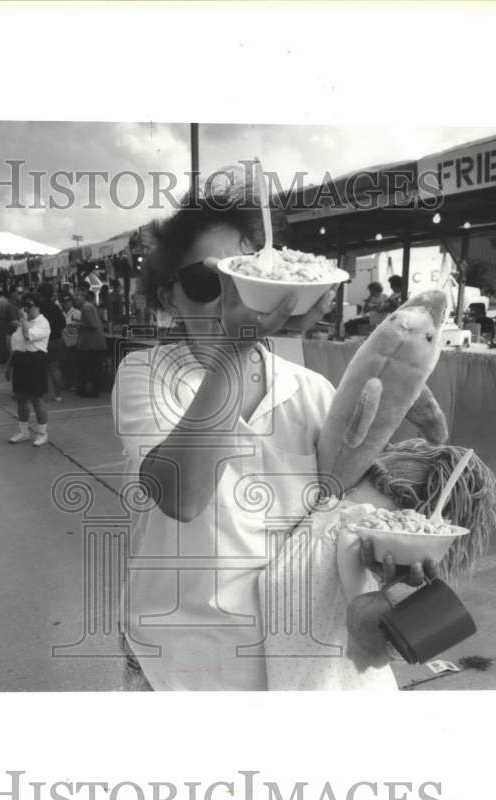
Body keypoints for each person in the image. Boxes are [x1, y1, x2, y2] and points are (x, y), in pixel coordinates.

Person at [112, 192, 344, 690]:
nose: (230, 302)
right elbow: (182, 494)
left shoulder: (312, 392)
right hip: (177, 661)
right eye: (204, 282)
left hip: (290, 660)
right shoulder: (145, 376)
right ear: (168, 297)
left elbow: (339, 517)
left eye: (241, 280)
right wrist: (236, 351)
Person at [5, 294, 51, 446]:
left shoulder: (42, 323)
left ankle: (42, 433)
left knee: (37, 399)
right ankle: (23, 431)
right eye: (24, 305)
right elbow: (16, 344)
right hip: (20, 360)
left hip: (36, 360)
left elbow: (27, 336)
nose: (26, 309)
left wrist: (23, 320)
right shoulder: (23, 322)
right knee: (20, 398)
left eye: (29, 305)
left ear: (37, 306)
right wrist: (8, 365)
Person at [73, 287, 106, 398]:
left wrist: (78, 324)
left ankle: (92, 391)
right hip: (92, 343)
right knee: (91, 367)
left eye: (78, 296)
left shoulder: (86, 307)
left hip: (91, 343)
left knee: (89, 367)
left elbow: (92, 325)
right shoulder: (88, 307)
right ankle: (89, 389)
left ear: (83, 297)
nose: (75, 298)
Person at [37, 282, 67, 402]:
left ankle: (41, 394)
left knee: (41, 369)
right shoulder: (55, 307)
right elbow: (63, 323)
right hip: (56, 339)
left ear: (41, 294)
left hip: (42, 341)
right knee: (55, 368)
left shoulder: (39, 308)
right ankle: (58, 395)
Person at [60, 293, 81, 394]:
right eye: (64, 302)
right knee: (65, 364)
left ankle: (74, 384)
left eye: (68, 301)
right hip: (64, 341)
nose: (66, 303)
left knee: (73, 363)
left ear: (71, 302)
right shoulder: (62, 313)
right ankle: (67, 382)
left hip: (73, 341)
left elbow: (80, 325)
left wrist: (73, 324)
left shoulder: (76, 312)